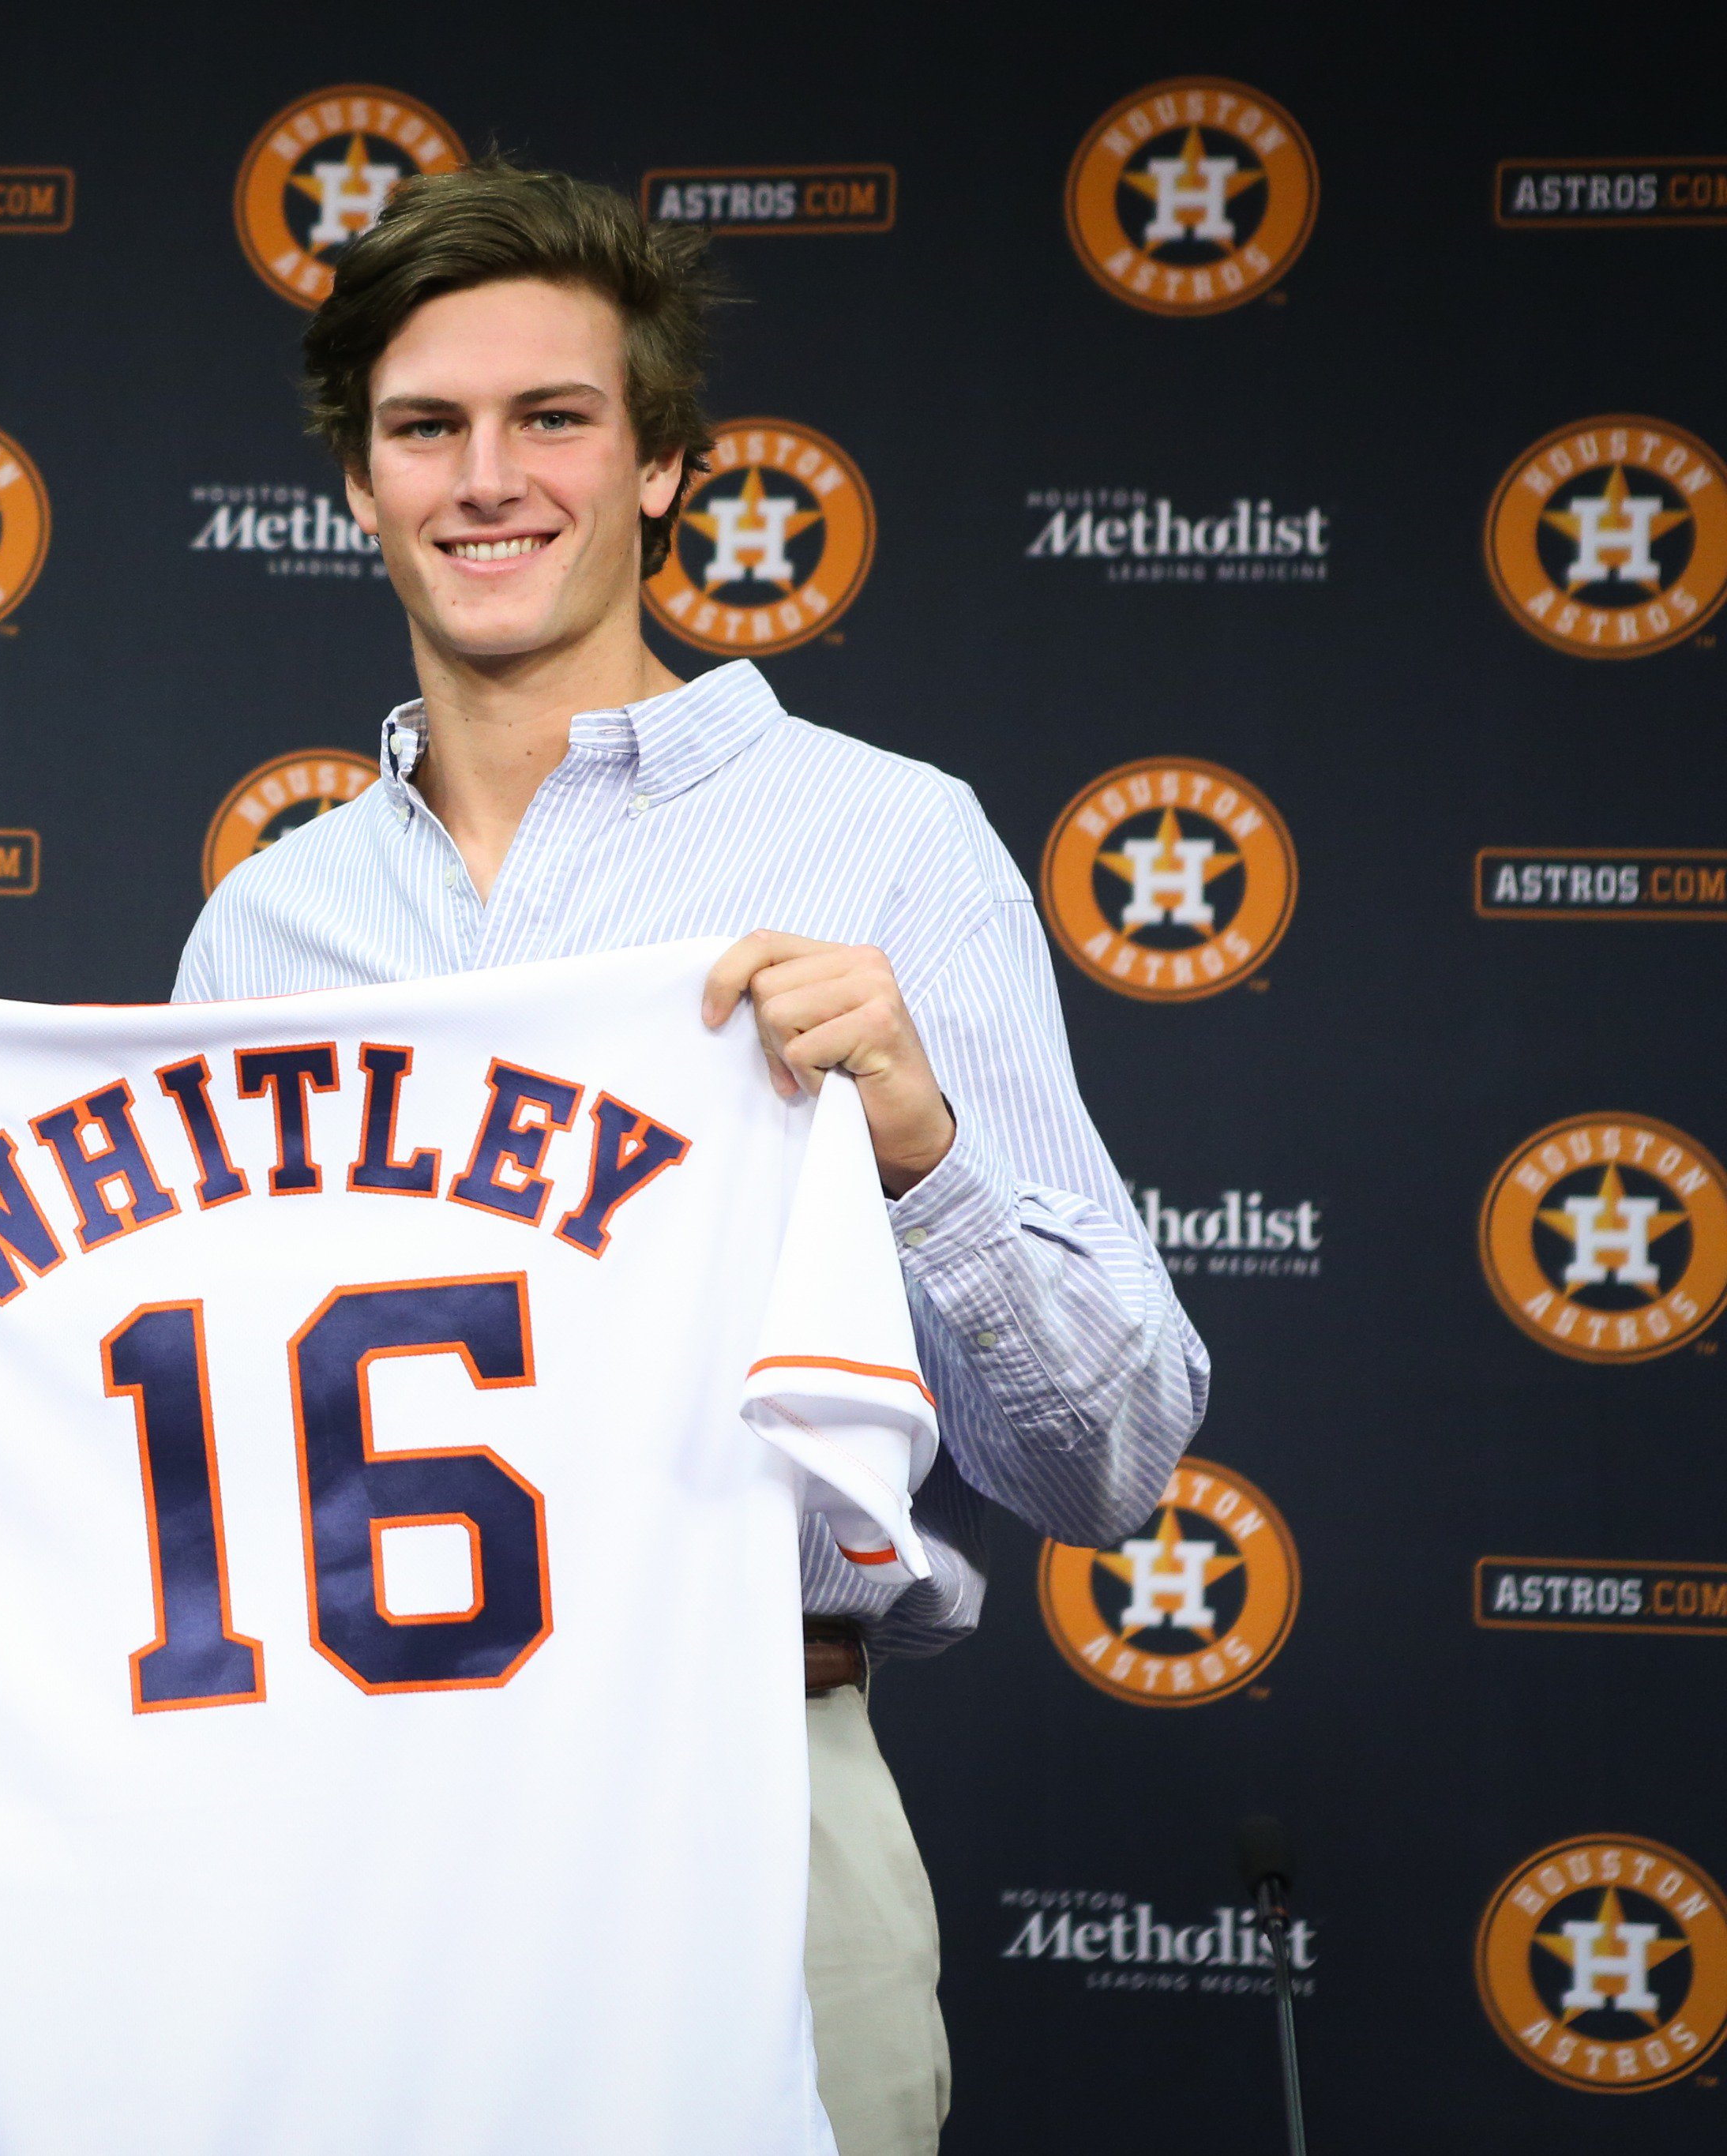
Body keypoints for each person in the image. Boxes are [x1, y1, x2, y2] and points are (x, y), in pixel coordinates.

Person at [173, 161, 1207, 2154]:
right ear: (354, 485)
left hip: (751, 1788)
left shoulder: (887, 845)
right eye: (423, 429)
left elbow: (1117, 1461)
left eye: (549, 419)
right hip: (342, 1830)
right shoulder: (263, 932)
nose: (486, 479)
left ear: (656, 466)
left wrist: (919, 1157)